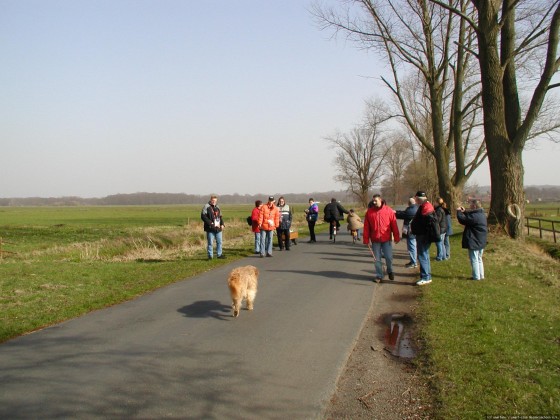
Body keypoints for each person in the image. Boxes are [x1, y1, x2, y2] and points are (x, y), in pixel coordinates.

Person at [363, 194, 400, 283]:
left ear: (381, 200)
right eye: (373, 201)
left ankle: (390, 270)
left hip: (386, 239)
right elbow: (366, 227)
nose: (374, 202)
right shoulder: (369, 212)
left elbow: (394, 225)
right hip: (375, 240)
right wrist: (366, 239)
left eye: (376, 200)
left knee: (388, 257)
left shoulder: (389, 211)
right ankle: (379, 275)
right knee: (377, 259)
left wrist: (396, 236)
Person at [457, 199, 488, 280]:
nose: (470, 206)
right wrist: (465, 212)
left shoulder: (475, 216)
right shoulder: (481, 214)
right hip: (481, 240)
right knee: (479, 259)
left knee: (474, 259)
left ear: (474, 206)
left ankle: (476, 276)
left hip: (474, 240)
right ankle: (481, 275)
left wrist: (459, 212)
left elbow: (463, 220)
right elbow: (471, 216)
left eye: (471, 205)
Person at [410, 191, 436, 285]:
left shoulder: (426, 207)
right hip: (422, 234)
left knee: (422, 256)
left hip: (423, 235)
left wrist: (417, 227)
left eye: (416, 198)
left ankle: (425, 277)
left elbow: (427, 222)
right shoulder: (425, 205)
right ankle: (427, 276)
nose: (415, 200)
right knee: (425, 255)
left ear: (419, 198)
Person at [200, 195, 226, 260]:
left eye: (215, 201)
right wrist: (210, 223)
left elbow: (220, 217)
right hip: (210, 228)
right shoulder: (206, 206)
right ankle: (210, 256)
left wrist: (222, 224)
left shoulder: (217, 207)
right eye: (213, 200)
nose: (214, 202)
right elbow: (203, 216)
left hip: (218, 228)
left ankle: (219, 255)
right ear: (210, 200)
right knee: (210, 243)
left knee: (219, 242)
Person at [396, 197, 418, 268]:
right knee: (411, 247)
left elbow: (403, 214)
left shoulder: (411, 210)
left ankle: (414, 263)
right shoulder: (414, 208)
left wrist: (395, 213)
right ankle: (412, 261)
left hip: (411, 231)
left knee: (412, 247)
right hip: (412, 231)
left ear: (409, 203)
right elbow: (403, 213)